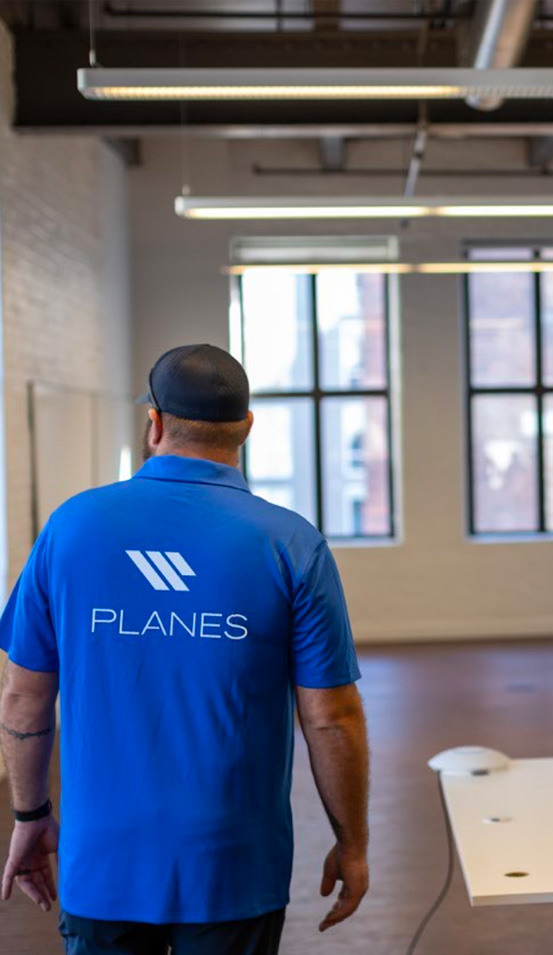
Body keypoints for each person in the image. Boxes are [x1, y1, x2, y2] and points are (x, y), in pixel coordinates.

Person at [0, 343, 370, 955]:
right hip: (234, 865)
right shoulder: (290, 544)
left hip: (103, 863)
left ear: (155, 423)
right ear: (247, 428)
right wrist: (351, 842)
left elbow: (23, 695)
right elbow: (331, 717)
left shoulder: (72, 527)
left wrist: (30, 815)